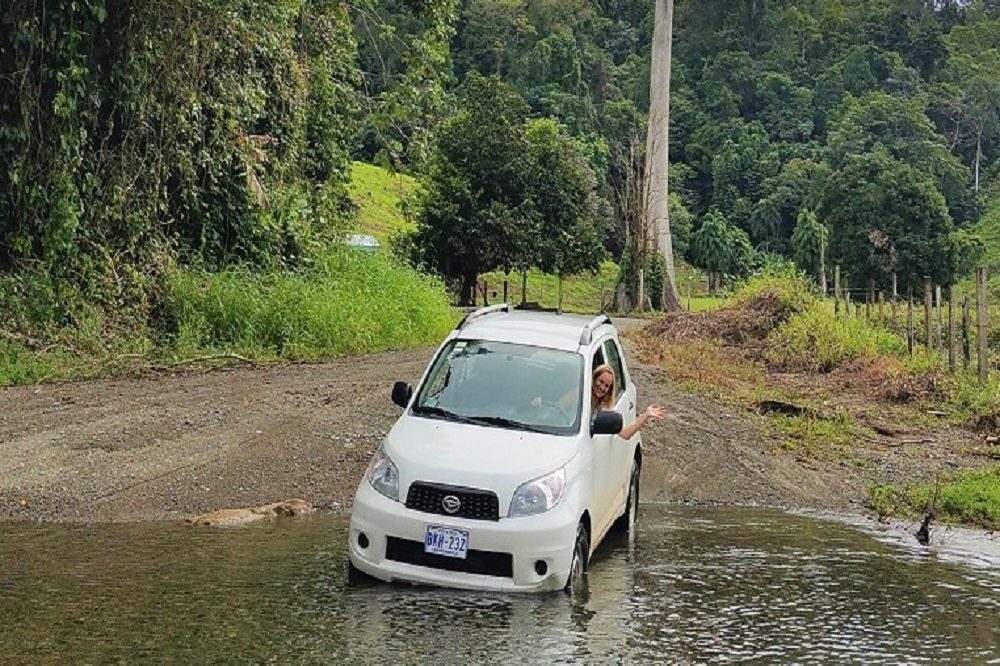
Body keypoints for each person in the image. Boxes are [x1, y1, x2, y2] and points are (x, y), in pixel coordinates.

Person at [590, 364, 666, 440]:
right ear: (594, 378)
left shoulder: (603, 408)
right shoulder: (580, 394)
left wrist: (646, 415)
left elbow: (625, 434)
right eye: (601, 381)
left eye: (606, 386)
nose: (602, 387)